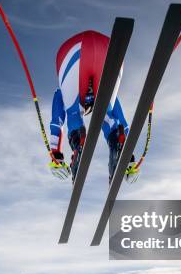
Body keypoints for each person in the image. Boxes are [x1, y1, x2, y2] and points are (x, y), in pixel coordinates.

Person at [49, 30, 140, 183]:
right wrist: (129, 158)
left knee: (73, 113)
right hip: (109, 50)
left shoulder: (63, 95)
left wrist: (55, 154)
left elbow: (56, 120)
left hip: (72, 52)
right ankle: (118, 147)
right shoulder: (105, 101)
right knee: (108, 111)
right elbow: (121, 120)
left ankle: (78, 143)